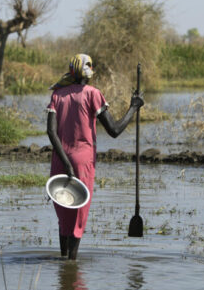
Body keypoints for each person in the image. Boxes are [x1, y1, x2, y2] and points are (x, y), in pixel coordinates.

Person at [46, 54, 144, 260]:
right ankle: (71, 267)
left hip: (59, 161)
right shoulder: (92, 94)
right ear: (89, 72)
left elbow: (51, 133)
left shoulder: (58, 95)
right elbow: (115, 130)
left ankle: (63, 263)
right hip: (82, 162)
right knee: (78, 219)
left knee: (64, 217)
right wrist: (133, 107)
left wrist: (64, 161)